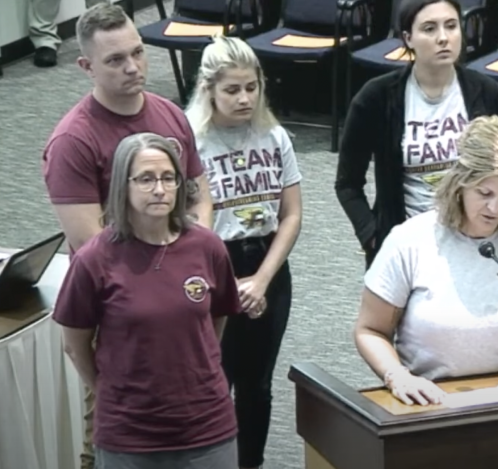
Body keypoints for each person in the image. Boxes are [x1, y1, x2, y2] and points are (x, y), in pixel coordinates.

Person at [40, 4, 213, 468]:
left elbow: (199, 196)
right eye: (115, 60)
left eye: (137, 52)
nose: (133, 67)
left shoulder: (170, 116)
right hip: (119, 320)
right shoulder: (73, 142)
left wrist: (198, 257)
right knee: (108, 438)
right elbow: (92, 245)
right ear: (86, 67)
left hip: (181, 300)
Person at [52, 132, 254, 468]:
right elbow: (75, 344)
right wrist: (108, 390)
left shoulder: (207, 247)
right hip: (129, 434)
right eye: (145, 179)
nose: (159, 190)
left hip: (207, 427)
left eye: (168, 178)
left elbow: (217, 317)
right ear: (123, 186)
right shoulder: (95, 259)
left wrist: (199, 364)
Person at [353, 115, 498, 406]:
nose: (494, 208)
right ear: (460, 184)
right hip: (429, 399)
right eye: (484, 193)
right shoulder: (411, 239)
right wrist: (397, 376)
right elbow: (370, 330)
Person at [185, 35, 302, 469]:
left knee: (257, 384)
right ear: (208, 89)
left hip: (267, 267)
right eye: (232, 89)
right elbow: (183, 224)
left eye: (251, 87)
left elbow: (290, 216)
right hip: (212, 265)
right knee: (216, 379)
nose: (244, 98)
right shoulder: (189, 142)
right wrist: (224, 282)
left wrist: (263, 280)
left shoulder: (275, 136)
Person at [335, 0, 498, 268]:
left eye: (451, 26)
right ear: (408, 38)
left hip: (475, 243)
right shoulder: (376, 98)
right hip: (408, 246)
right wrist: (373, 236)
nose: (443, 38)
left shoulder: (488, 94)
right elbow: (347, 184)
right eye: (429, 29)